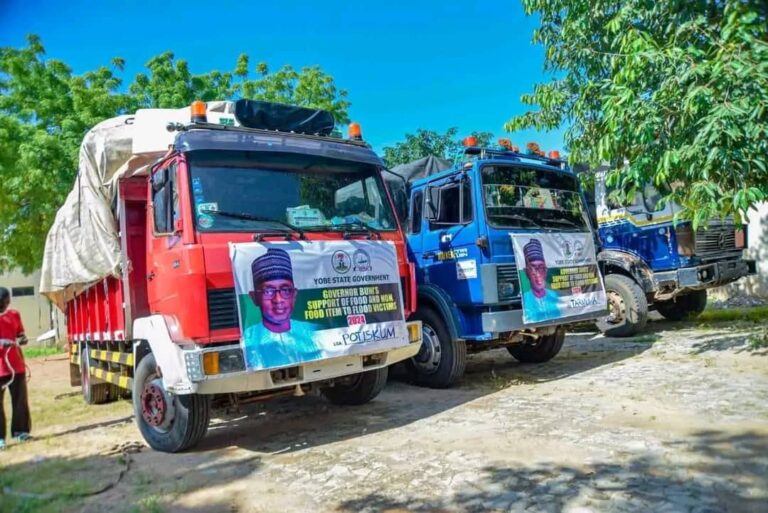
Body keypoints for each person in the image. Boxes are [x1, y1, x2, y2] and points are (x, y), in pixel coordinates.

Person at [243, 248, 322, 369]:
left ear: (294, 295)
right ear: (254, 297)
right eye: (268, 291)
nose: (278, 300)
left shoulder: (314, 331)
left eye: (285, 290)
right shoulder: (247, 339)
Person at [0, 287, 31, 449]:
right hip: (0, 369)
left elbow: (20, 333)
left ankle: (21, 431)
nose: (6, 304)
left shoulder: (14, 315)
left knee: (20, 401)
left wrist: (22, 339)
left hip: (16, 366)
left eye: (7, 301)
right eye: (3, 302)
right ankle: (0, 438)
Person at [521, 239, 562, 323]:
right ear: (526, 272)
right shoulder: (524, 299)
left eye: (541, 267)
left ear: (546, 271)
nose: (538, 274)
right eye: (533, 268)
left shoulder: (554, 295)